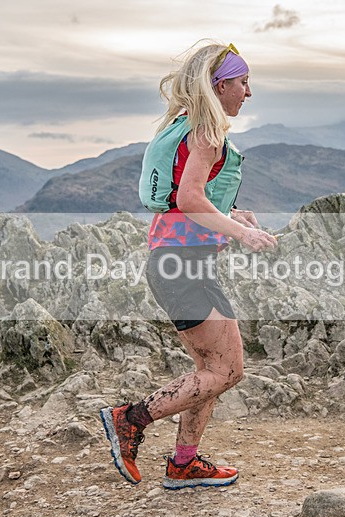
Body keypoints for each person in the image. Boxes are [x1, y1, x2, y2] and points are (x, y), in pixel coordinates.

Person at [100, 41, 277, 490]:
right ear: (219, 86)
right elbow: (190, 199)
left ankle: (183, 463)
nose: (248, 92)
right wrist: (242, 234)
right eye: (242, 82)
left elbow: (190, 199)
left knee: (211, 370)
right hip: (181, 268)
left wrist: (232, 215)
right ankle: (130, 419)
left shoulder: (187, 124)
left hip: (178, 264)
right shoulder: (207, 132)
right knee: (228, 370)